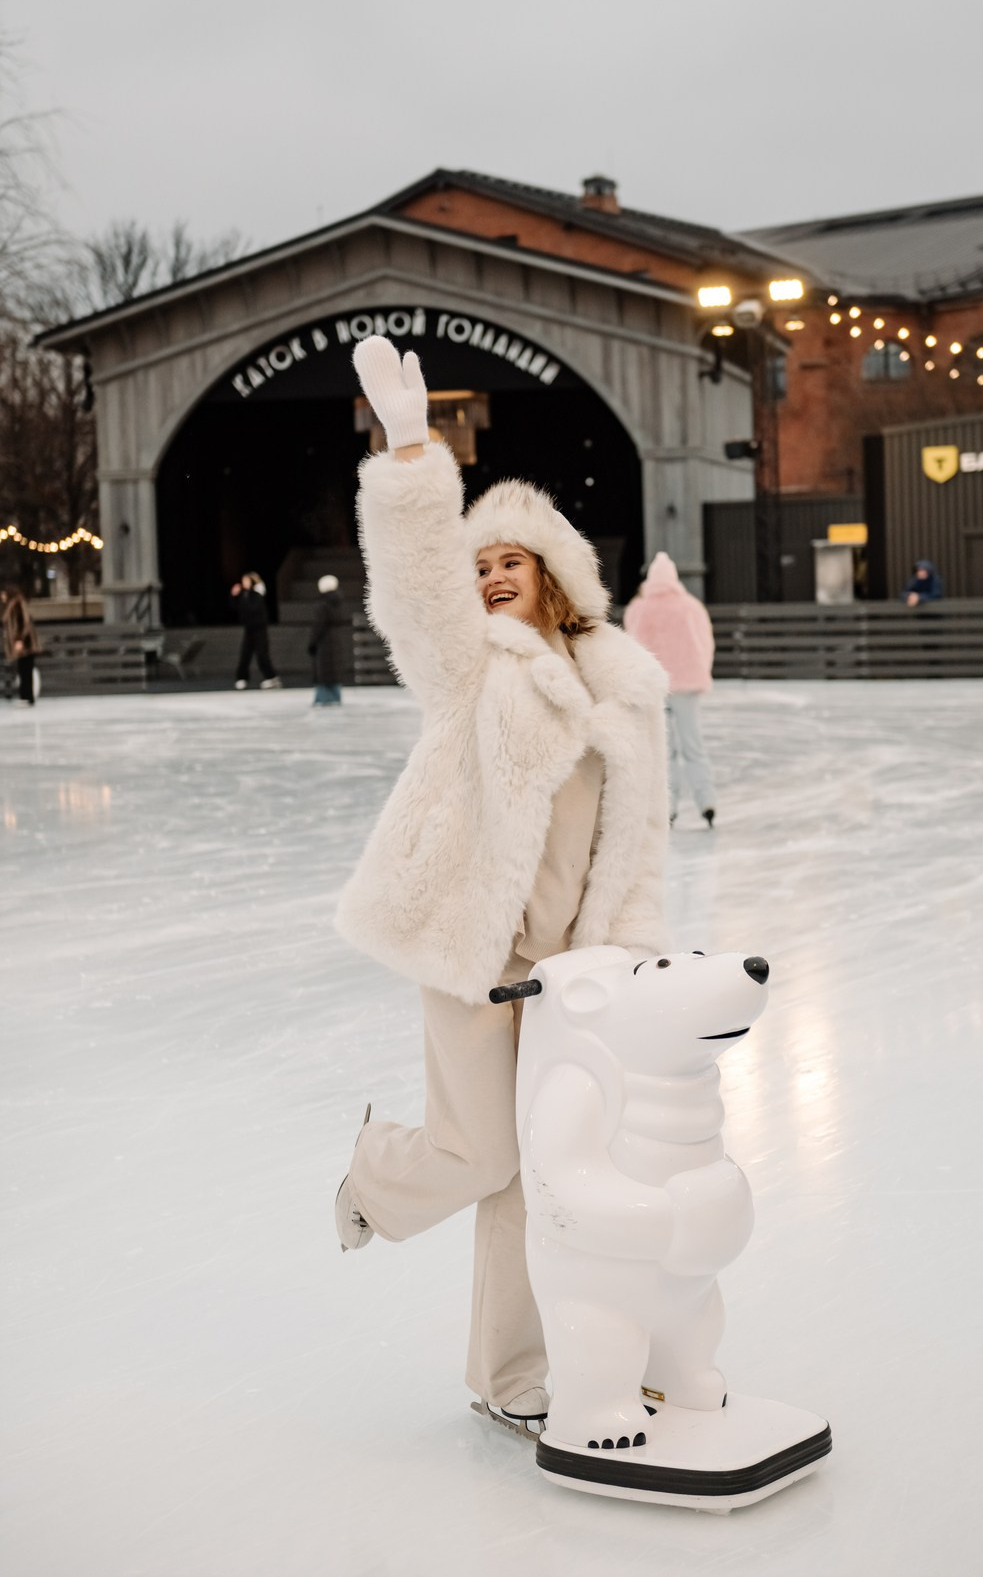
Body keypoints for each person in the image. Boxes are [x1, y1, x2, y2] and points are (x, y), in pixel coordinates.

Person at [332, 336, 669, 1435]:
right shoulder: (468, 668)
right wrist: (415, 452)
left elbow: (642, 838)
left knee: (548, 1176)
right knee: (478, 1153)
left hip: (572, 974)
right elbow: (423, 588)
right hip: (477, 951)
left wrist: (629, 953)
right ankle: (376, 1176)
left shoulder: (623, 689)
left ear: (557, 577)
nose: (489, 578)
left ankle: (513, 1375)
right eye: (484, 568)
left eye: (508, 564)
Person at [623, 551, 717, 828]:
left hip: (655, 687)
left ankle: (669, 807)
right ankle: (707, 800)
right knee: (694, 746)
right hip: (687, 686)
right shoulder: (691, 606)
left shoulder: (639, 608)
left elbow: (632, 647)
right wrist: (702, 670)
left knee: (664, 750)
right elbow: (705, 642)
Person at [229, 572, 281, 690]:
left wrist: (242, 596)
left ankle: (272, 678)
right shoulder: (245, 594)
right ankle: (242, 678)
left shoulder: (257, 595)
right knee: (245, 655)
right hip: (249, 629)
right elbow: (236, 607)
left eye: (246, 581)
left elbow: (252, 609)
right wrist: (234, 595)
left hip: (259, 629)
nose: (244, 584)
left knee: (262, 655)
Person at [307, 574, 346, 706]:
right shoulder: (339, 602)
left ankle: (323, 698)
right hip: (335, 640)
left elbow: (318, 625)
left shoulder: (322, 604)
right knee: (333, 671)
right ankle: (335, 697)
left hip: (324, 642)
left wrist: (312, 643)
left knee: (323, 672)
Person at [2, 586, 41, 706]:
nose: (1, 597)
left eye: (2, 594)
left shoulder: (17, 605)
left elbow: (24, 623)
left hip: (26, 644)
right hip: (24, 644)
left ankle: (28, 698)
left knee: (25, 670)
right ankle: (25, 697)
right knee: (23, 670)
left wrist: (19, 639)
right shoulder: (12, 606)